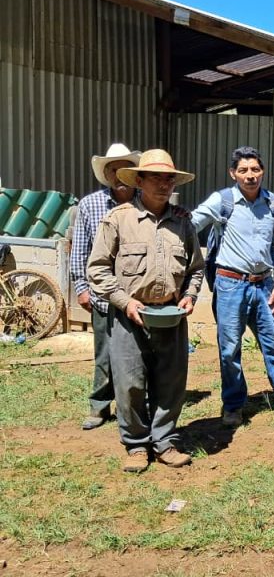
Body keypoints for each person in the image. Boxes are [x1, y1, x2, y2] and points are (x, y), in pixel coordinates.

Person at [87, 149, 204, 473]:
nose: (163, 184)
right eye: (156, 177)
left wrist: (190, 297)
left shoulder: (183, 222)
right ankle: (136, 445)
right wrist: (126, 301)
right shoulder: (118, 219)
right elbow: (97, 269)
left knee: (171, 383)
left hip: (171, 317)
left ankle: (165, 441)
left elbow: (196, 269)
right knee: (130, 385)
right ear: (139, 181)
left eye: (169, 178)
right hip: (128, 319)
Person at [191, 146, 274, 427]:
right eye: (243, 170)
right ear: (233, 173)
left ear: (262, 171)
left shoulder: (273, 203)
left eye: (255, 170)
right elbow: (190, 224)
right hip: (229, 284)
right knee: (229, 349)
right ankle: (234, 405)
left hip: (264, 285)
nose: (250, 175)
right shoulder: (222, 201)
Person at [71, 143, 140, 431]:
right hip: (102, 294)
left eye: (124, 168)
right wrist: (80, 286)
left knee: (139, 354)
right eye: (113, 169)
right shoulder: (90, 205)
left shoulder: (145, 202)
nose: (118, 174)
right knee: (104, 353)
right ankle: (99, 407)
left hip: (137, 295)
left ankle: (137, 405)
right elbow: (81, 250)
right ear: (107, 174)